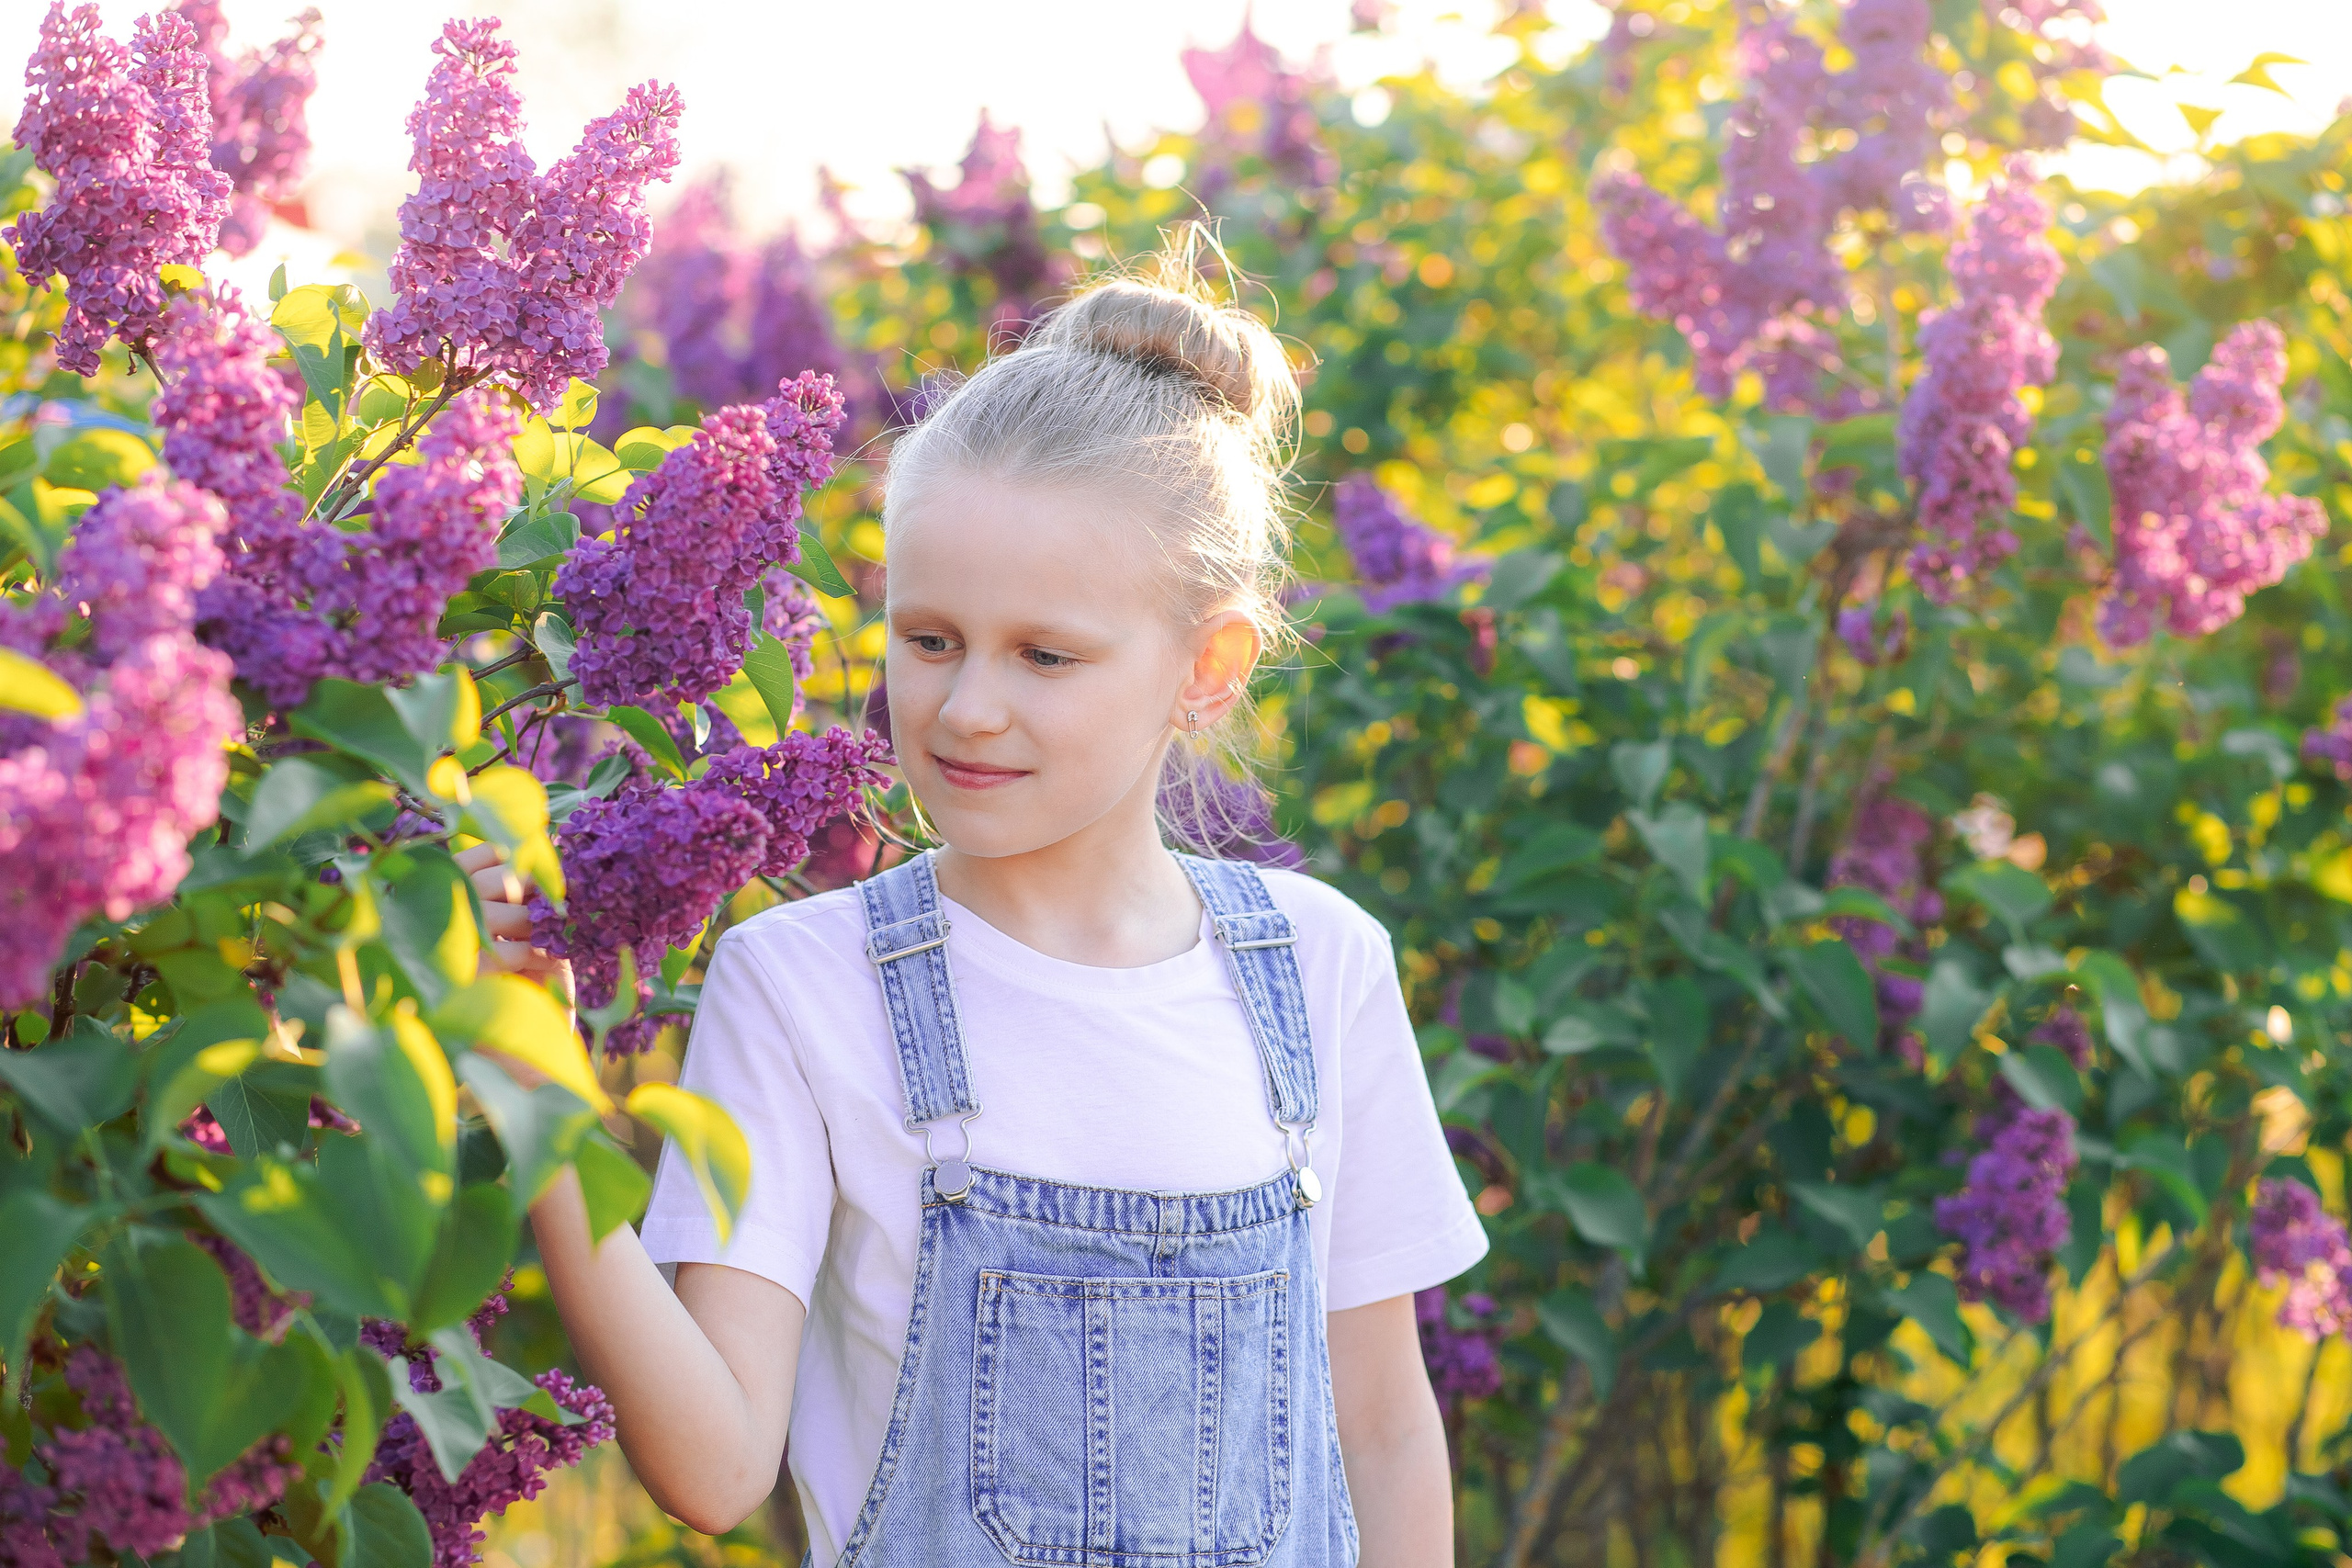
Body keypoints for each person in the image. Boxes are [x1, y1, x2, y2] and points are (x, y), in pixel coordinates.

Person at [461, 234, 1487, 1566]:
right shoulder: (800, 985)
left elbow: (1387, 1428)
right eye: (927, 638)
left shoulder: (1319, 968)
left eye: (1044, 655)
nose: (968, 707)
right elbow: (712, 1467)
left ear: (1209, 666)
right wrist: (532, 1081)